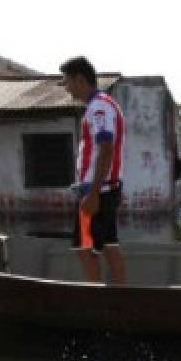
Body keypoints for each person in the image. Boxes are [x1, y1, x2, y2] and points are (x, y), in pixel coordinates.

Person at [60, 55, 127, 285]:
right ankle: (107, 296)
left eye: (67, 82)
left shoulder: (99, 107)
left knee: (94, 247)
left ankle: (103, 300)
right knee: (94, 246)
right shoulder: (99, 106)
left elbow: (106, 149)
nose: (67, 88)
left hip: (98, 193)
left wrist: (94, 193)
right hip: (95, 191)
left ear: (80, 80)